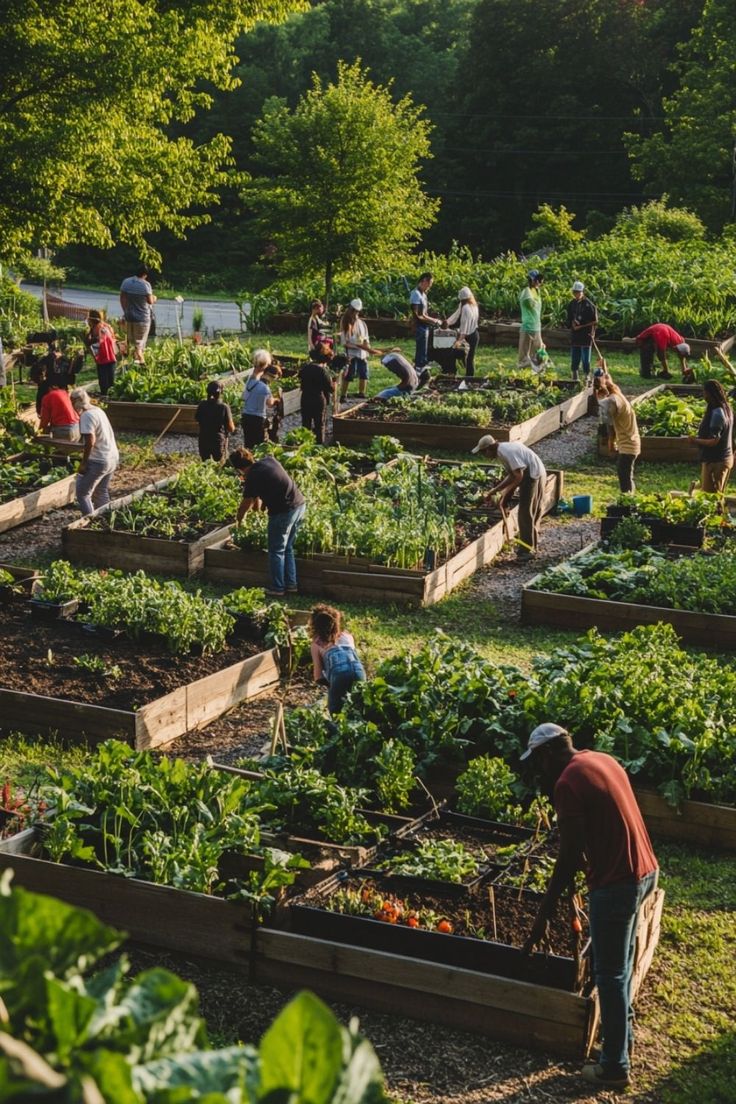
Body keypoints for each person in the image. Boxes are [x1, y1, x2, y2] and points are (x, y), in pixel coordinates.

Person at [521, 723, 658, 1090]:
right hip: (646, 872)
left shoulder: (567, 782)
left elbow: (567, 858)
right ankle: (620, 1045)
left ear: (547, 755)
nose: (538, 772)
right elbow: (601, 826)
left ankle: (614, 1067)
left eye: (537, 763)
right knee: (622, 966)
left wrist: (543, 915)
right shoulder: (601, 759)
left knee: (609, 974)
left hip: (618, 884)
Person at [230, 447, 306, 597]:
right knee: (287, 548)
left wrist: (239, 520)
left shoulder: (252, 476)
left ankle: (277, 588)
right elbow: (268, 489)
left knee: (276, 550)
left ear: (240, 469)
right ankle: (291, 585)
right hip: (299, 505)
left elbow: (246, 502)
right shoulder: (268, 461)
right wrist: (261, 508)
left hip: (284, 511)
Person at [471, 435, 547, 556]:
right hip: (537, 471)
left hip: (532, 474)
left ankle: (526, 551)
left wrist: (505, 493)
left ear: (489, 448)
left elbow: (519, 476)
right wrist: (494, 491)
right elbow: (512, 475)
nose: (484, 456)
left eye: (483, 452)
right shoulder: (502, 450)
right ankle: (531, 547)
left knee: (524, 513)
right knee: (531, 511)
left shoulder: (506, 452)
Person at [309, 604, 366, 715]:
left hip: (339, 674)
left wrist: (332, 687)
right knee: (359, 705)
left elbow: (318, 676)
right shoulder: (348, 636)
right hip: (359, 670)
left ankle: (337, 730)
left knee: (336, 711)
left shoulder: (316, 644)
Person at [70, 388, 119, 516]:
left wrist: (84, 463)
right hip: (112, 457)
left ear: (76, 401)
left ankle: (90, 522)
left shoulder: (86, 416)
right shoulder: (98, 411)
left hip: (99, 460)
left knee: (82, 494)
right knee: (101, 491)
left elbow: (90, 441)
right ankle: (106, 519)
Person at [597, 372, 641, 493]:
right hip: (630, 442)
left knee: (624, 476)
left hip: (628, 445)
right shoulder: (618, 394)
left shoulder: (614, 400)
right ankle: (630, 499)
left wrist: (610, 442)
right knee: (626, 475)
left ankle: (628, 504)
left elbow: (605, 413)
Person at [690, 378, 734, 492]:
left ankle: (696, 489)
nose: (703, 395)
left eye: (704, 392)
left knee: (712, 496)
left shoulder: (718, 414)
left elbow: (714, 441)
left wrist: (695, 440)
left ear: (710, 393)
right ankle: (697, 488)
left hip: (717, 461)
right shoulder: (726, 408)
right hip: (720, 459)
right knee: (712, 492)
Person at [338, 299, 383, 402]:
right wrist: (358, 346)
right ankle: (343, 395)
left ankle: (361, 393)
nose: (356, 314)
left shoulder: (362, 323)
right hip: (351, 354)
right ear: (351, 310)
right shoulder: (345, 323)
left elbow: (365, 339)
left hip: (362, 353)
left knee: (364, 372)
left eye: (357, 312)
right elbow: (345, 342)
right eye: (354, 311)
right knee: (349, 373)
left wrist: (368, 348)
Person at [625, 324, 691, 381]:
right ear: (676, 348)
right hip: (655, 332)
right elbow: (661, 354)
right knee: (640, 343)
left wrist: (684, 369)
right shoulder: (663, 337)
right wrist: (666, 370)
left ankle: (652, 369)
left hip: (661, 329)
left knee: (652, 347)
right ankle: (625, 340)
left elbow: (682, 356)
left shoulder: (680, 340)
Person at [119, 264, 156, 364]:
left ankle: (135, 362)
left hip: (129, 316)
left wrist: (125, 310)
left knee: (132, 341)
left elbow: (122, 297)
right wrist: (155, 297)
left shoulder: (126, 282)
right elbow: (150, 301)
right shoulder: (145, 285)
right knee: (139, 343)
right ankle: (142, 363)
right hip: (142, 318)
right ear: (145, 274)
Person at [242, 349, 278, 447]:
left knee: (248, 443)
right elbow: (269, 403)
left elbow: (244, 396)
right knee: (259, 445)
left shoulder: (250, 381)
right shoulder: (264, 388)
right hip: (258, 419)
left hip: (246, 416)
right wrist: (275, 399)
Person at [299, 346, 334, 444]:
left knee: (306, 423)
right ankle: (319, 444)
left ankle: (305, 444)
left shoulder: (306, 368)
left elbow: (300, 378)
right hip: (318, 399)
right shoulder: (323, 371)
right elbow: (330, 389)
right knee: (319, 424)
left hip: (305, 398)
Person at [566, 281, 598, 384]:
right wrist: (573, 323)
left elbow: (595, 320)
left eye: (578, 292)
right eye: (575, 292)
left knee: (585, 358)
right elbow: (569, 317)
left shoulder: (589, 304)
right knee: (575, 355)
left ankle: (586, 374)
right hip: (575, 334)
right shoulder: (572, 303)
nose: (576, 294)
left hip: (586, 334)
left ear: (582, 292)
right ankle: (574, 374)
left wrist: (582, 326)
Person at [196, 380, 235, 462]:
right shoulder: (224, 407)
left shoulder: (202, 405)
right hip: (217, 440)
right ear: (221, 392)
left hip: (203, 439)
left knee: (205, 464)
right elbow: (231, 428)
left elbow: (197, 419)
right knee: (219, 464)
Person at [410, 272, 441, 374]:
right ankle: (419, 367)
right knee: (421, 348)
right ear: (423, 281)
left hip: (425, 326)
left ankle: (423, 363)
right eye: (429, 284)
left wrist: (433, 319)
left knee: (425, 347)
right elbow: (418, 315)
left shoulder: (424, 295)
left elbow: (425, 313)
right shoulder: (415, 294)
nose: (429, 287)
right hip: (419, 325)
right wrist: (434, 321)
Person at [445, 287, 480, 377]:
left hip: (471, 336)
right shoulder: (470, 304)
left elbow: (465, 327)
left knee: (469, 358)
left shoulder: (466, 308)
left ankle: (469, 378)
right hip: (474, 334)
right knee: (468, 358)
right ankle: (467, 376)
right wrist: (447, 322)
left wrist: (459, 341)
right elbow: (456, 314)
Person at [84, 309, 118, 395]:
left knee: (103, 383)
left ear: (91, 320)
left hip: (102, 359)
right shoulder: (107, 326)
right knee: (111, 381)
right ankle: (111, 397)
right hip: (111, 357)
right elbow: (113, 339)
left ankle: (105, 397)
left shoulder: (95, 329)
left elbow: (91, 344)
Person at [518, 270, 544, 369]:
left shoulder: (537, 291)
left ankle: (538, 373)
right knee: (524, 357)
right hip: (528, 327)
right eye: (537, 280)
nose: (539, 282)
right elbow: (530, 304)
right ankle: (521, 375)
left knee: (539, 354)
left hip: (536, 327)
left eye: (540, 280)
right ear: (531, 280)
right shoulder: (526, 292)